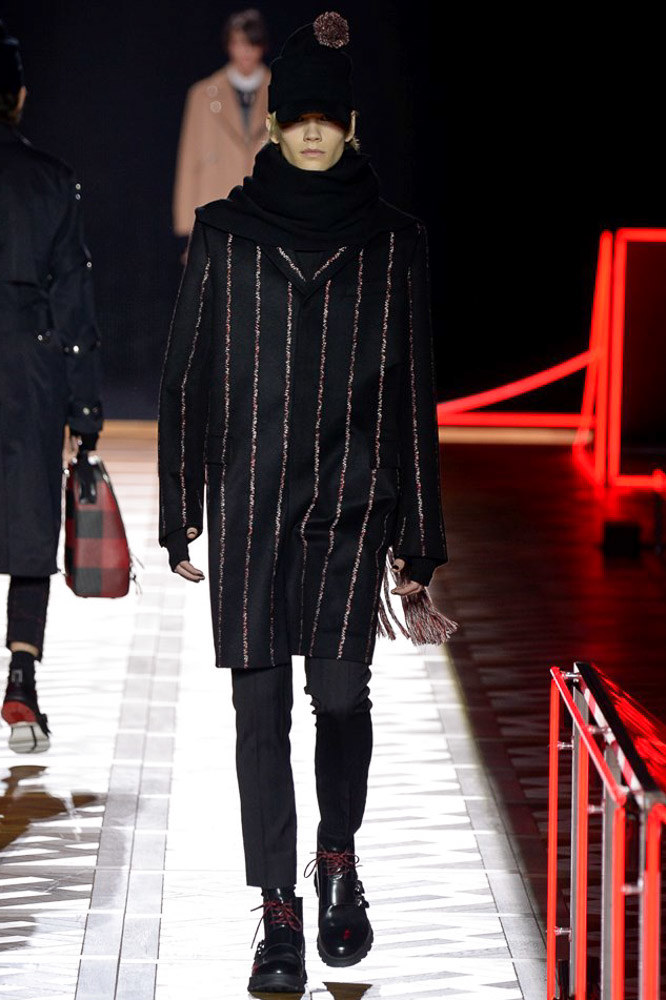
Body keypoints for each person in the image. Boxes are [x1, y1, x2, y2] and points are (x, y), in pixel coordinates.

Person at [158, 11, 450, 993]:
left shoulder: (393, 243)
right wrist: (178, 507)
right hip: (248, 504)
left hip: (350, 502)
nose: (315, 132)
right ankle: (279, 912)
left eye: (330, 117)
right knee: (259, 709)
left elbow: (413, 393)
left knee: (340, 695)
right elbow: (186, 375)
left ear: (350, 126)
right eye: (301, 117)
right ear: (279, 124)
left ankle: (337, 861)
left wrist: (420, 542)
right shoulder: (226, 233)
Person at [0, 22, 103, 754]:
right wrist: (86, 410)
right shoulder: (50, 179)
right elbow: (73, 300)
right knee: (31, 523)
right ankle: (21, 680)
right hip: (27, 367)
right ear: (20, 97)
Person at [172, 8, 271, 251]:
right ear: (228, 45)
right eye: (239, 43)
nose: (246, 51)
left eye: (252, 43)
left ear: (263, 46)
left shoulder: (281, 90)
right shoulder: (203, 94)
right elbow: (189, 159)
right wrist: (186, 223)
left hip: (266, 211)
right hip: (215, 205)